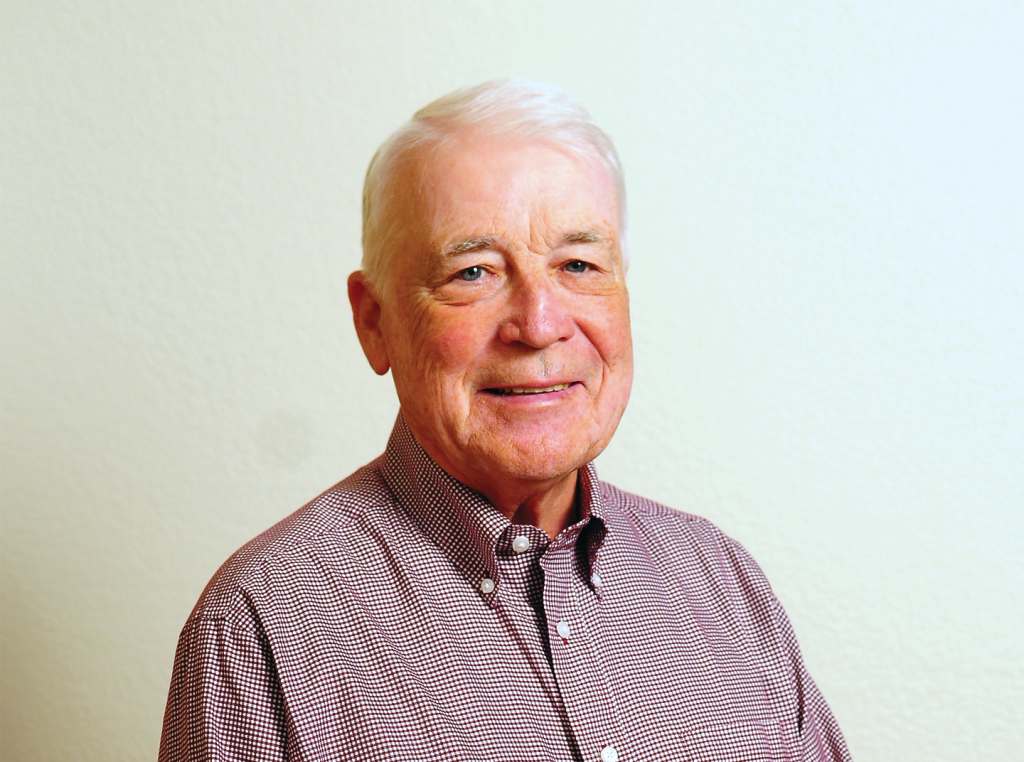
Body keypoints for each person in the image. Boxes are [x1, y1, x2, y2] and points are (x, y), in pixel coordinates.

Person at [159, 80, 851, 762]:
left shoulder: (721, 584)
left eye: (578, 264)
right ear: (375, 323)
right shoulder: (260, 628)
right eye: (473, 273)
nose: (540, 325)